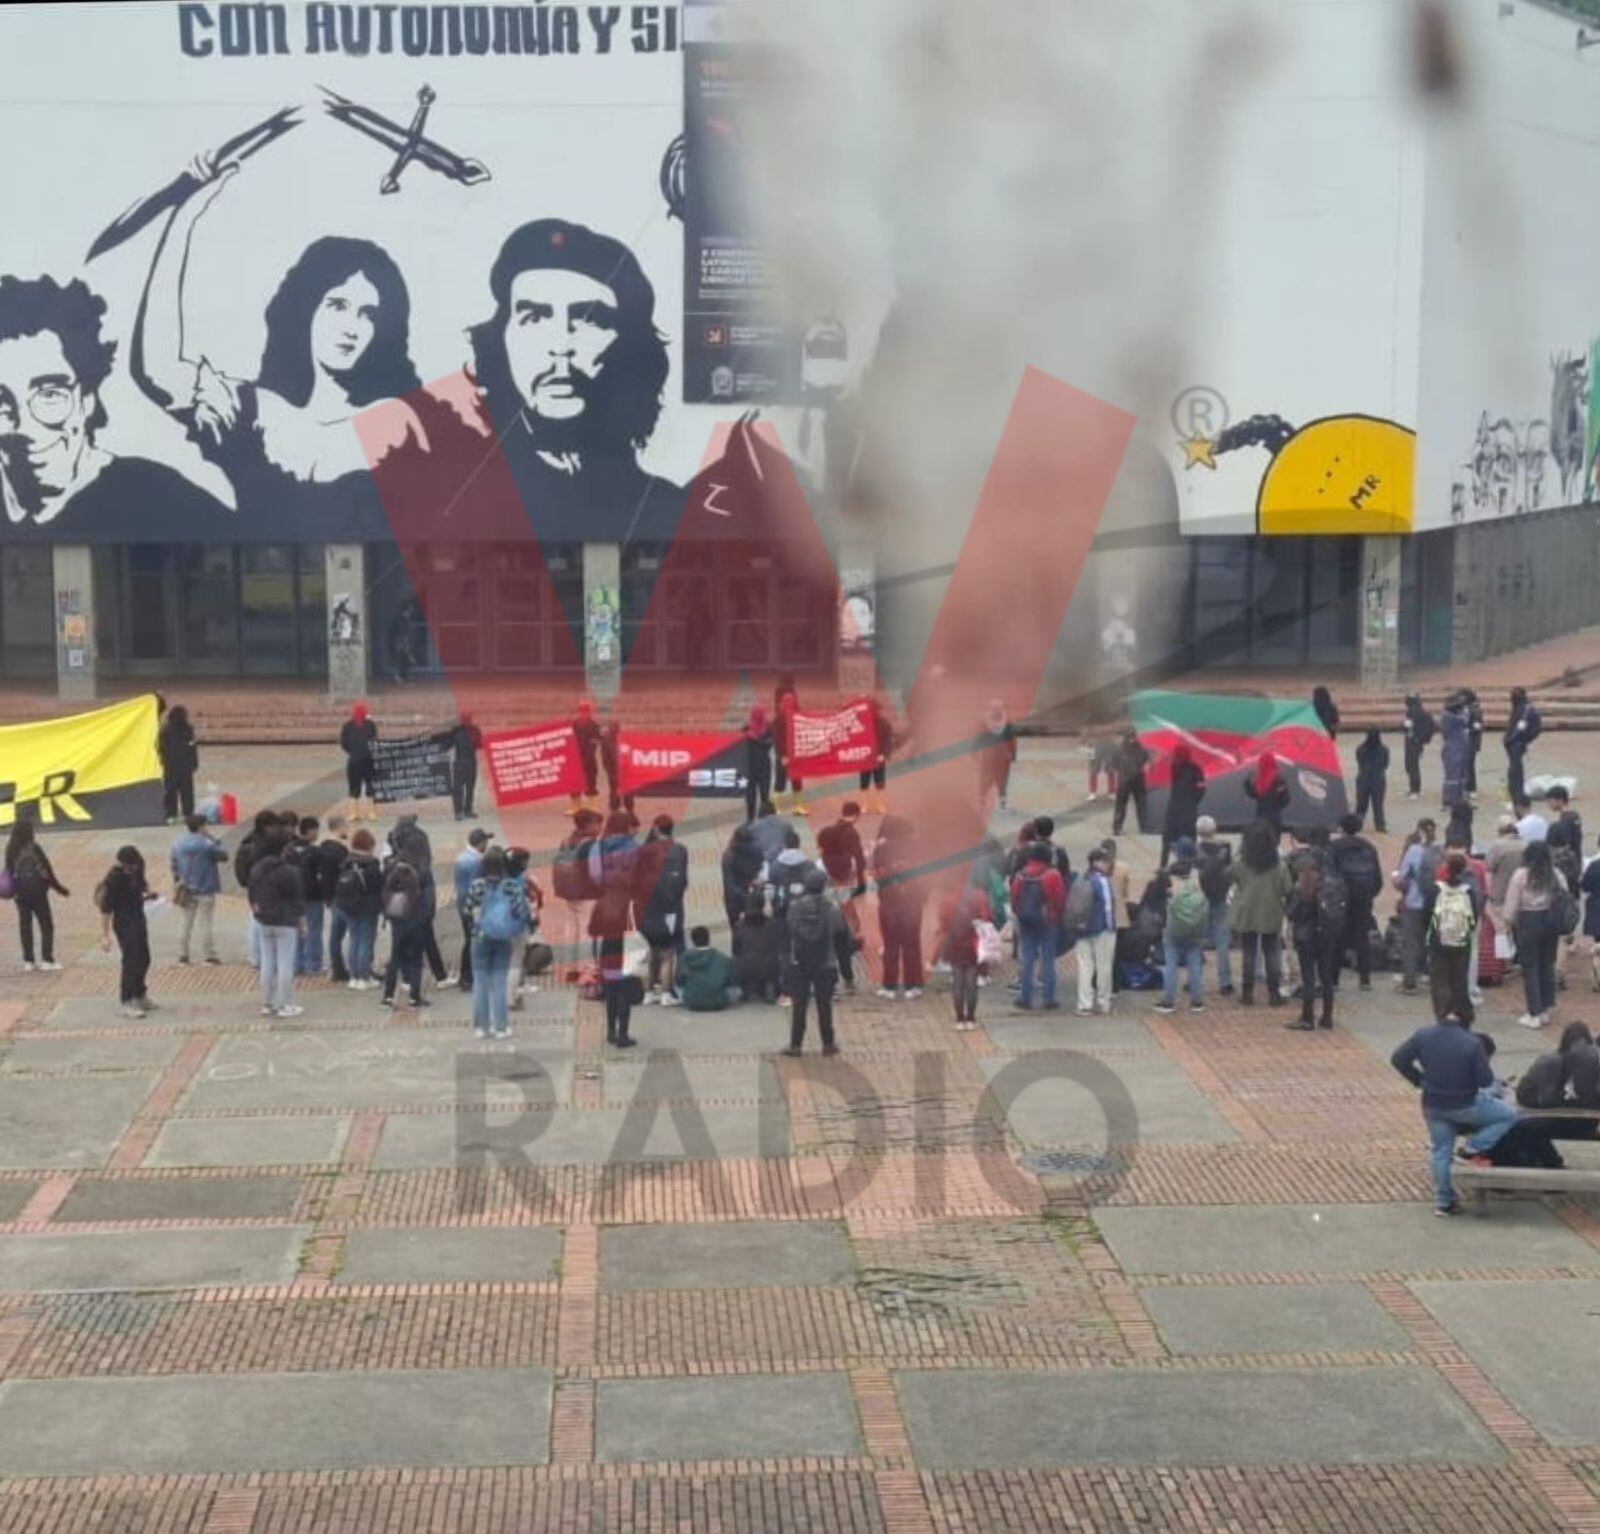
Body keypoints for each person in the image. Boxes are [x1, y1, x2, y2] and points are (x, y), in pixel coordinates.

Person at [132, 158, 427, 534]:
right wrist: (184, 216)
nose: (352, 327)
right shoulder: (253, 411)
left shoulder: (395, 421)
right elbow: (157, 368)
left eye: (368, 314)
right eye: (337, 306)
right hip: (259, 582)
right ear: (305, 309)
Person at [0, 274, 226, 537]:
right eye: (2, 404)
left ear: (88, 399)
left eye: (50, 395)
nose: (25, 429)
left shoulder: (158, 495)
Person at [1391, 1014, 1517, 1215]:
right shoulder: (1471, 1043)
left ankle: (1444, 1202)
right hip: (1465, 1103)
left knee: (1441, 1152)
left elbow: (1398, 1058)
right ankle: (1472, 1147)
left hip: (1433, 1103)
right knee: (1509, 1115)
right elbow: (1485, 1081)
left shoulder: (1423, 1035)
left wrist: (1420, 1080)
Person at [463, 847, 532, 1040]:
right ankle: (501, 1027)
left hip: (479, 938)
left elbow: (467, 909)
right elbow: (522, 912)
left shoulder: (477, 886)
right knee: (499, 983)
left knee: (480, 983)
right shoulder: (511, 886)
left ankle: (481, 1027)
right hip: (503, 938)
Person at [781, 867, 847, 1056]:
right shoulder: (832, 909)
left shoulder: (795, 907)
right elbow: (840, 932)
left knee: (799, 1005)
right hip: (825, 962)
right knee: (824, 1005)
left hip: (799, 962)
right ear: (824, 886)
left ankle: (795, 1044)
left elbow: (789, 930)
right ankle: (827, 1044)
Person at [588, 813, 640, 1048]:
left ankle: (609, 1030)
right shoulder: (636, 849)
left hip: (606, 910)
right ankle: (623, 1033)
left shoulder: (598, 847)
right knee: (626, 975)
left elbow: (595, 876)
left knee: (609, 976)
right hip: (628, 914)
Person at [1230, 820, 1292, 1007]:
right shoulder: (1279, 866)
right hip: (1271, 912)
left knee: (1248, 952)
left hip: (1247, 912)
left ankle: (1247, 992)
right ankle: (1273, 993)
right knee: (1272, 952)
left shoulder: (1241, 863)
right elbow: (1287, 888)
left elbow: (1232, 877)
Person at [1505, 839, 1563, 1030]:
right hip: (1550, 921)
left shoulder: (1521, 875)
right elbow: (1565, 894)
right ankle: (1546, 1008)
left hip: (1529, 921)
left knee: (1530, 967)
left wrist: (1508, 921)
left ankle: (1534, 1012)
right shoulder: (1554, 874)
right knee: (1547, 964)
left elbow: (1512, 903)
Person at [248, 829, 306, 1019]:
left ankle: (267, 1002)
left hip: (263, 919)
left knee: (267, 962)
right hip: (285, 921)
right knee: (285, 964)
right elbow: (297, 899)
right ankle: (285, 1003)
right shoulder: (289, 871)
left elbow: (251, 894)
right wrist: (302, 922)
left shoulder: (257, 869)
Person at [634, 815, 689, 1005]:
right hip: (670, 908)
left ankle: (649, 991)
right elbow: (683, 880)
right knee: (667, 953)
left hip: (647, 906)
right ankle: (666, 992)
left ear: (656, 829)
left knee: (652, 950)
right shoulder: (680, 850)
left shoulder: (644, 851)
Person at [97, 846, 157, 1019]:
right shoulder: (115, 878)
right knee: (131, 960)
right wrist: (105, 935)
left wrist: (148, 893)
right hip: (123, 920)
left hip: (138, 916)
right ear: (122, 864)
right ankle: (127, 1000)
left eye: (134, 866)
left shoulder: (138, 867)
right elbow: (106, 908)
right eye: (128, 867)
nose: (132, 869)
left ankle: (140, 993)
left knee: (144, 957)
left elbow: (143, 884)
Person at [875, 815, 928, 1001]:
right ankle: (913, 984)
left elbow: (877, 875)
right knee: (912, 944)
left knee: (890, 945)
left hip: (889, 905)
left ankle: (889, 985)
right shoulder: (917, 847)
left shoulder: (881, 849)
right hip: (912, 904)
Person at [1329, 812, 1383, 992]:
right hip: (1363, 896)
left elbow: (1331, 874)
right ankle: (1365, 978)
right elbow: (1377, 878)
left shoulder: (1334, 847)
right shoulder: (1368, 847)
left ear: (1341, 828)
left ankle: (1334, 978)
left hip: (1342, 897)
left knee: (1337, 937)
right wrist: (1369, 894)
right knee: (1362, 937)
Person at [1153, 844, 1209, 1015]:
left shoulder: (1168, 878)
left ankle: (1169, 1001)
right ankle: (1197, 1001)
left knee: (1171, 963)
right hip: (1196, 926)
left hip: (1174, 926)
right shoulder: (1197, 876)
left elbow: (1157, 898)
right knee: (1194, 961)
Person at [1010, 840, 1066, 1011]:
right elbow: (1060, 899)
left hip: (1027, 921)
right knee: (1048, 959)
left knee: (1027, 959)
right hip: (1048, 922)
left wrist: (1021, 914)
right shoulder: (1052, 875)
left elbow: (1014, 899)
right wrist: (1056, 915)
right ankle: (1048, 998)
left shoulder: (1021, 875)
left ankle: (1025, 997)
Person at [6, 820, 69, 973]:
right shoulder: (34, 848)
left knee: (25, 925)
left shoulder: (10, 849)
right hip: (38, 893)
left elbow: (8, 872)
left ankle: (28, 960)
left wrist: (12, 890)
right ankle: (47, 959)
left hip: (20, 893)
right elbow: (47, 870)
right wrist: (59, 888)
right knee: (46, 924)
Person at [1428, 850, 1481, 1026]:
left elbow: (1427, 914)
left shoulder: (1437, 889)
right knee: (1459, 979)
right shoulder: (1468, 891)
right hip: (1462, 941)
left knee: (1440, 980)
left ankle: (1443, 1014)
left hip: (1439, 940)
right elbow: (1474, 915)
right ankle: (1461, 1013)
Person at [168, 813, 227, 966]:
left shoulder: (177, 843)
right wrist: (214, 838)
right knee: (205, 922)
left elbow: (173, 865)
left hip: (187, 889)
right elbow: (224, 855)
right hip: (205, 888)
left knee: (186, 922)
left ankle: (183, 955)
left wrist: (178, 881)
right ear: (201, 826)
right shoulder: (206, 844)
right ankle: (209, 955)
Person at [1391, 819, 1441, 996]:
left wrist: (1395, 878)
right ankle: (1432, 976)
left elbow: (1401, 878)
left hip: (1414, 903)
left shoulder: (1413, 850)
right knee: (1433, 941)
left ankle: (1410, 982)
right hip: (1435, 903)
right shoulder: (1439, 850)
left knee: (1411, 942)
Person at [938, 875, 993, 1030]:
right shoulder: (979, 896)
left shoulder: (948, 898)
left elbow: (942, 922)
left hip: (955, 944)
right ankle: (971, 1019)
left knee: (958, 983)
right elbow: (987, 918)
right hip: (973, 945)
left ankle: (959, 1020)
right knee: (971, 983)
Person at [1069, 845, 1118, 1015]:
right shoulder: (1102, 881)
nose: (1108, 865)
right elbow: (1108, 908)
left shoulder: (1081, 879)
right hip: (1101, 930)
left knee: (1085, 967)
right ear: (1097, 862)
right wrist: (1112, 927)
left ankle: (1084, 1003)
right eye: (1105, 861)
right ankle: (1103, 1001)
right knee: (1104, 966)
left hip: (1081, 929)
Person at [333, 828, 384, 989]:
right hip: (367, 908)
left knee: (354, 940)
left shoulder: (346, 862)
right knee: (365, 941)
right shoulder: (372, 864)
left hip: (348, 906)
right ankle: (364, 976)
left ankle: (354, 976)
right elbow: (378, 886)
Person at [379, 848, 428, 1012]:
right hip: (415, 922)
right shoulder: (416, 874)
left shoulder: (391, 874)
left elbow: (385, 895)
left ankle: (387, 996)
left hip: (397, 922)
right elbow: (424, 899)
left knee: (395, 959)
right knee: (415, 960)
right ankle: (414, 997)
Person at [1192, 817, 1234, 997]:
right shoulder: (1225, 849)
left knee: (1196, 941)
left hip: (1201, 897)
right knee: (1222, 942)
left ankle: (1194, 979)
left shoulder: (1195, 851)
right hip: (1220, 897)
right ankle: (1225, 981)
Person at [452, 828, 492, 991]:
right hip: (472, 907)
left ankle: (468, 976)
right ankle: (468, 977)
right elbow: (477, 887)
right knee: (473, 942)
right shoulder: (476, 862)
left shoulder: (462, 857)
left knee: (469, 940)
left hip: (462, 904)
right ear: (481, 843)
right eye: (486, 842)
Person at [289, 816, 329, 978]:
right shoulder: (314, 852)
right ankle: (313, 964)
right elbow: (321, 875)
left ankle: (297, 964)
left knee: (297, 930)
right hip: (312, 896)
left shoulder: (289, 849)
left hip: (293, 896)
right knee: (314, 930)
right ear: (311, 831)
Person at [314, 816, 352, 982]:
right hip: (343, 896)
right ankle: (358, 967)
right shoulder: (340, 851)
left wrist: (326, 897)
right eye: (346, 827)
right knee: (356, 933)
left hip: (331, 897)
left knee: (335, 936)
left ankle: (338, 968)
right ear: (340, 827)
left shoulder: (321, 848)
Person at [1159, 744, 1206, 867]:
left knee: (1168, 839)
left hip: (1175, 809)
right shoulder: (1194, 769)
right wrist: (1194, 801)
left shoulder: (1176, 767)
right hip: (1187, 810)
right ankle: (1187, 865)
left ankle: (1163, 865)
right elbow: (1202, 789)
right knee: (1187, 838)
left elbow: (1201, 788)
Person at [734, 896, 785, 1004]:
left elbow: (736, 950)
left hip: (746, 967)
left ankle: (746, 989)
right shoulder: (773, 924)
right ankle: (769, 987)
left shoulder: (739, 925)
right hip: (768, 968)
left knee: (742, 960)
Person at [679, 926, 738, 1012]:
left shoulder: (685, 957)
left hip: (692, 1001)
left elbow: (679, 980)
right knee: (737, 990)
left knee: (678, 989)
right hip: (718, 1001)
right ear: (708, 939)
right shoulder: (721, 957)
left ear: (693, 941)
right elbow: (732, 979)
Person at [157, 704, 200, 823]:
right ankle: (187, 813)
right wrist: (194, 762)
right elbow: (192, 746)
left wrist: (162, 762)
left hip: (171, 767)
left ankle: (171, 814)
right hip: (184, 766)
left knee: (171, 791)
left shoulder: (165, 730)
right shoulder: (187, 729)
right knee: (186, 791)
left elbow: (161, 749)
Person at [976, 698, 1018, 811]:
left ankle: (1000, 800)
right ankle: (983, 799)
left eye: (998, 709)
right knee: (987, 777)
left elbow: (1011, 740)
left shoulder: (1006, 722)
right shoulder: (985, 721)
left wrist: (1013, 754)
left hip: (1000, 755)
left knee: (1000, 778)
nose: (997, 711)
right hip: (991, 755)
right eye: (995, 709)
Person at [439, 713, 483, 821]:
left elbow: (444, 746)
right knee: (465, 789)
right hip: (467, 763)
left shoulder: (457, 731)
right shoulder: (472, 731)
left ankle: (462, 812)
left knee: (464, 789)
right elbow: (480, 745)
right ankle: (463, 812)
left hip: (462, 763)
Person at [1504, 686, 1542, 807]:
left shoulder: (1527, 709)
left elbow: (1536, 727)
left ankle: (1517, 794)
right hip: (1511, 742)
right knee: (1513, 768)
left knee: (1516, 769)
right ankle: (1513, 791)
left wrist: (1526, 739)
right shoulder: (1517, 707)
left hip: (1518, 742)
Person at [340, 703, 378, 821]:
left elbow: (374, 740)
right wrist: (354, 751)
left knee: (370, 787)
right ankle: (356, 813)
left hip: (366, 760)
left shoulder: (370, 724)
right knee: (354, 788)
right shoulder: (347, 726)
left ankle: (370, 812)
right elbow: (344, 742)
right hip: (359, 760)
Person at [774, 690, 808, 817]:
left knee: (797, 779)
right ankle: (777, 808)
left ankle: (799, 807)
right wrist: (782, 755)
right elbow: (777, 739)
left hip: (795, 754)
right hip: (783, 755)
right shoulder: (778, 719)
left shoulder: (797, 716)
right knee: (780, 780)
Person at [859, 694, 894, 815]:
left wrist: (884, 754)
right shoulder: (862, 723)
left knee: (880, 781)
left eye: (877, 709)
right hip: (865, 757)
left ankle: (880, 804)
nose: (876, 711)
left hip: (879, 756)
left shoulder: (884, 724)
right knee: (864, 782)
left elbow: (889, 740)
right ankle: (864, 804)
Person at [1243, 752, 1292, 838]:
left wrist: (1247, 782)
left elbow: (1252, 794)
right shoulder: (1279, 780)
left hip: (1260, 816)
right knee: (1272, 843)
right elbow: (1285, 800)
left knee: (1261, 842)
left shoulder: (1258, 779)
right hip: (1274, 817)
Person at [1111, 728, 1149, 835]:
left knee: (1124, 804)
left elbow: (1114, 763)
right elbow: (1144, 759)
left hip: (1127, 780)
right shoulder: (1139, 748)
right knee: (1137, 804)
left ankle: (1118, 827)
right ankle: (1143, 826)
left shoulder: (1119, 749)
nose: (1132, 739)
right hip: (1134, 779)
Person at [569, 697, 603, 814]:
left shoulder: (594, 725)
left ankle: (593, 806)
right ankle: (575, 806)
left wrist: (588, 757)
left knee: (591, 781)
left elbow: (595, 742)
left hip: (589, 758)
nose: (584, 713)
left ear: (590, 711)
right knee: (574, 783)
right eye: (582, 710)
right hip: (575, 758)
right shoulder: (574, 724)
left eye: (586, 710)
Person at [742, 705, 775, 824]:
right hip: (749, 767)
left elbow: (769, 744)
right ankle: (750, 819)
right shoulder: (746, 729)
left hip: (763, 767)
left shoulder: (768, 729)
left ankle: (765, 819)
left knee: (764, 795)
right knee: (750, 795)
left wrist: (755, 738)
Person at [1354, 728, 1389, 833]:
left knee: (1361, 805)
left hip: (1363, 779)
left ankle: (1357, 824)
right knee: (1378, 804)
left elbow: (1359, 762)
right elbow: (1386, 764)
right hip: (1378, 779)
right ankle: (1380, 825)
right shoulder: (1384, 750)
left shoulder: (1360, 749)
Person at [1440, 694, 1471, 811]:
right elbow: (1464, 720)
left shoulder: (1454, 715)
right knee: (1453, 777)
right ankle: (1449, 802)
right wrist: (1466, 711)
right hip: (1453, 750)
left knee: (1462, 776)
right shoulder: (1449, 717)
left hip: (1461, 749)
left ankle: (1461, 800)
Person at [1402, 693, 1436, 800]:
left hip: (1415, 742)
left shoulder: (1421, 713)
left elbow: (1432, 726)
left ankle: (1415, 790)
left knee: (1413, 765)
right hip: (1409, 741)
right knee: (1409, 765)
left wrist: (1421, 738)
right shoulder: (1410, 712)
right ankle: (1413, 788)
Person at [1087, 730, 1119, 803]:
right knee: (1093, 770)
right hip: (1096, 742)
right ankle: (1092, 792)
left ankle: (1112, 792)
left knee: (1111, 769)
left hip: (1109, 742)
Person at [1463, 688, 1485, 798]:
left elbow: (1477, 726)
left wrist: (1468, 730)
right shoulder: (1469, 708)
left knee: (1469, 765)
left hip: (1471, 741)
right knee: (1467, 765)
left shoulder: (1474, 710)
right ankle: (1468, 787)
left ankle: (1471, 788)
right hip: (1468, 741)